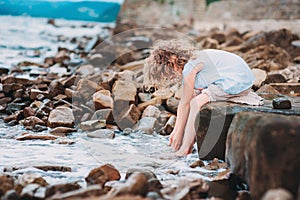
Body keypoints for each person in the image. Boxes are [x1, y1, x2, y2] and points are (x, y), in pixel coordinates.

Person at [143, 39, 263, 156]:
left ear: (173, 60)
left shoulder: (189, 68)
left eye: (168, 73)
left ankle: (186, 148)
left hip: (235, 81)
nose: (171, 77)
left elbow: (185, 103)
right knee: (197, 97)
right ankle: (185, 142)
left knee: (196, 103)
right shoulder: (194, 59)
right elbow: (185, 102)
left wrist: (179, 133)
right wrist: (177, 130)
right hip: (242, 79)